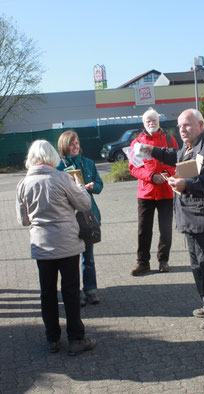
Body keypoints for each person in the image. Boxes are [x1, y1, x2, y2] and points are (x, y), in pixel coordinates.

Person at [141, 109, 204, 330]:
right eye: (180, 126)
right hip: (194, 219)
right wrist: (153, 150)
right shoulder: (191, 145)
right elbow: (176, 156)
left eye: (187, 125)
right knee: (198, 267)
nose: (182, 130)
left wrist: (186, 185)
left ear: (201, 125)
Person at [16, 140, 96, 355]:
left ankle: (52, 338)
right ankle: (76, 339)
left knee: (47, 293)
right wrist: (79, 187)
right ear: (51, 156)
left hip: (41, 246)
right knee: (70, 292)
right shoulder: (62, 178)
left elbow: (23, 220)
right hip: (67, 244)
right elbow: (85, 204)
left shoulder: (23, 184)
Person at [129, 108, 179, 276]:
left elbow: (176, 161)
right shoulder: (137, 143)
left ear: (159, 121)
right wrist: (151, 176)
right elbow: (134, 168)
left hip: (166, 191)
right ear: (143, 124)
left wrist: (165, 175)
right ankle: (142, 262)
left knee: (165, 229)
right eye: (148, 121)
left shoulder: (171, 140)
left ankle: (163, 260)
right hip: (146, 192)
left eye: (154, 120)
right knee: (144, 229)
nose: (152, 123)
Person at [57, 131, 103, 306]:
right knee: (71, 259)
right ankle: (75, 292)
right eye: (71, 144)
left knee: (88, 257)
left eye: (77, 143)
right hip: (68, 218)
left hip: (87, 216)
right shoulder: (58, 168)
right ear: (64, 146)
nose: (75, 147)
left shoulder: (89, 163)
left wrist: (92, 186)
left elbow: (100, 185)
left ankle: (90, 289)